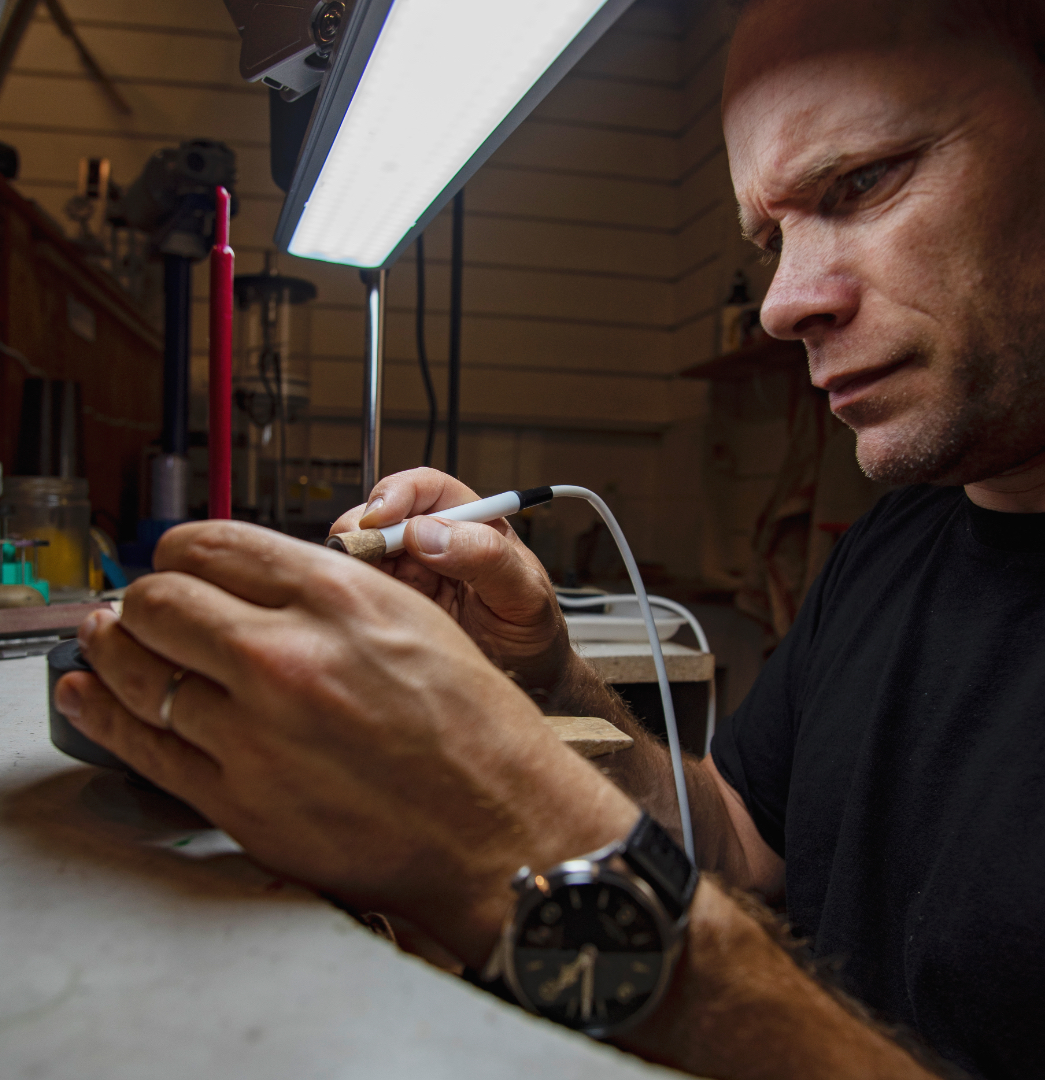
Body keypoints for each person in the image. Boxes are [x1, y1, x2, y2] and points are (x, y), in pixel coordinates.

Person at [53, 0, 1045, 1076]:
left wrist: (515, 854)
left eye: (861, 182)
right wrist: (542, 678)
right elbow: (738, 841)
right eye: (769, 240)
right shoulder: (902, 539)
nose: (782, 304)